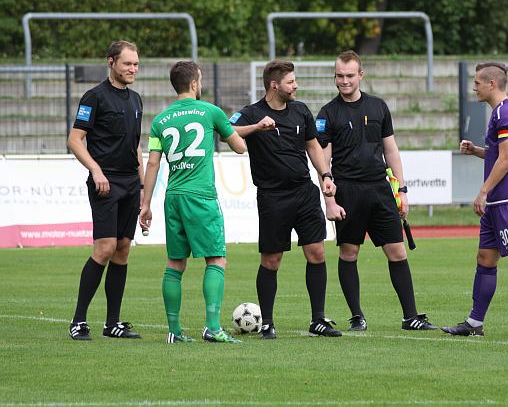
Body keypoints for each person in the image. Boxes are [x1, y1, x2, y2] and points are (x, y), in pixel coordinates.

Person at [316, 50, 437, 332]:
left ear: (361, 75)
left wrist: (402, 190)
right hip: (348, 190)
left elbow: (391, 149)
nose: (344, 81)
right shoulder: (327, 113)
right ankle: (357, 316)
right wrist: (329, 198)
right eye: (339, 76)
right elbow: (323, 160)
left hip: (380, 190)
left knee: (398, 252)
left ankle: (411, 317)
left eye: (349, 75)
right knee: (349, 253)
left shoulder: (379, 106)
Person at [230, 60, 342, 339]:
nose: (296, 86)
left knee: (316, 253)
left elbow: (313, 146)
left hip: (304, 192)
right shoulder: (251, 113)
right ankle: (266, 322)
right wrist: (256, 127)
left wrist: (326, 174)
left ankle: (318, 320)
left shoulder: (301, 110)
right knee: (272, 260)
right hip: (272, 197)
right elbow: (226, 133)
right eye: (291, 82)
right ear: (274, 85)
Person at [139, 61, 249, 344]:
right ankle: (212, 327)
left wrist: (146, 203)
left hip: (172, 197)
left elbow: (152, 164)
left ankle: (174, 332)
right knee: (216, 259)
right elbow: (239, 146)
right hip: (200, 196)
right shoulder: (210, 111)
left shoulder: (160, 121)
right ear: (194, 84)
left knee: (175, 263)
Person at [441, 62, 508, 339]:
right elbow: (498, 153)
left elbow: (507, 158)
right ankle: (474, 323)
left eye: (477, 82)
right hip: (499, 202)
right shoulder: (500, 113)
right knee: (485, 258)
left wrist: (483, 191)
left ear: (492, 84)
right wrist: (478, 151)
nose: (474, 87)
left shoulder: (506, 113)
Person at [67, 40, 144, 340]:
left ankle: (113, 323)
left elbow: (135, 146)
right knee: (105, 248)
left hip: (129, 183)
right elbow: (75, 140)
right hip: (105, 182)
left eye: (136, 64)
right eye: (127, 63)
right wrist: (95, 170)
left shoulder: (136, 99)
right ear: (111, 62)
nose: (132, 69)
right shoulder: (94, 97)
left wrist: (140, 187)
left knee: (123, 250)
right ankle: (78, 321)